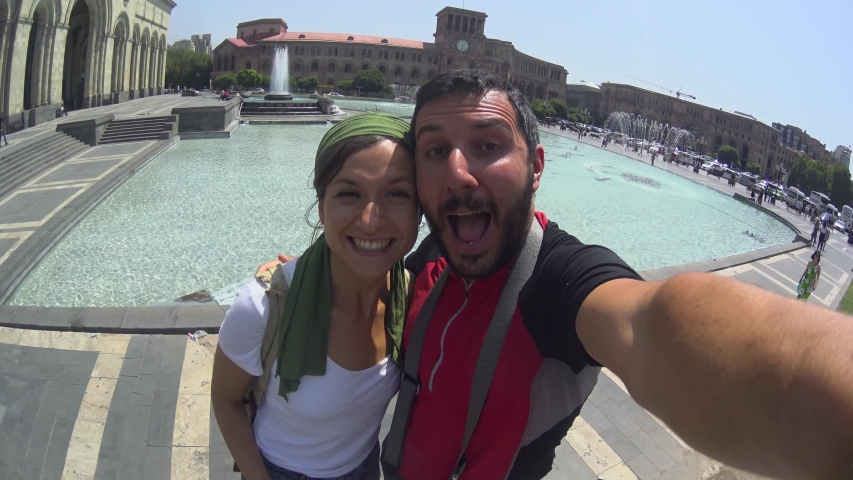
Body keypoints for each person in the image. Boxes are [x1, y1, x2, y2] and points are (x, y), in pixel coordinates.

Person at [258, 70, 853, 479]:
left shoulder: (557, 283)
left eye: (488, 145)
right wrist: (311, 268)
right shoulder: (434, 254)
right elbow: (374, 261)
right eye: (435, 151)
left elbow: (653, 323)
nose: (459, 172)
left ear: (537, 166)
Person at [212, 113, 419, 480]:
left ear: (419, 211)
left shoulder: (411, 296)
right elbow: (226, 401)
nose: (371, 220)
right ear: (322, 209)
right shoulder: (263, 307)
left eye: (398, 194)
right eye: (349, 194)